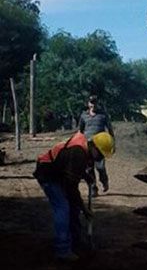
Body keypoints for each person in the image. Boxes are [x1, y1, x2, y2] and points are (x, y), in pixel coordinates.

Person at [33, 131, 115, 262]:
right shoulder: (77, 152)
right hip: (48, 175)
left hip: (58, 174)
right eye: (100, 155)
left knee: (73, 208)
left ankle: (76, 241)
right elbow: (71, 188)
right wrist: (84, 208)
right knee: (63, 208)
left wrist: (85, 176)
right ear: (93, 146)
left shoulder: (83, 149)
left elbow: (70, 166)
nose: (99, 158)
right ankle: (62, 250)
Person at [79, 95, 115, 196]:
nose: (93, 105)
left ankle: (104, 181)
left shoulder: (103, 115)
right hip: (87, 145)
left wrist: (113, 143)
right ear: (88, 104)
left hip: (99, 146)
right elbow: (80, 131)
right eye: (91, 103)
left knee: (100, 167)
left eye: (95, 103)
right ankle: (93, 188)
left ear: (97, 104)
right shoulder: (83, 115)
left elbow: (110, 129)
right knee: (89, 168)